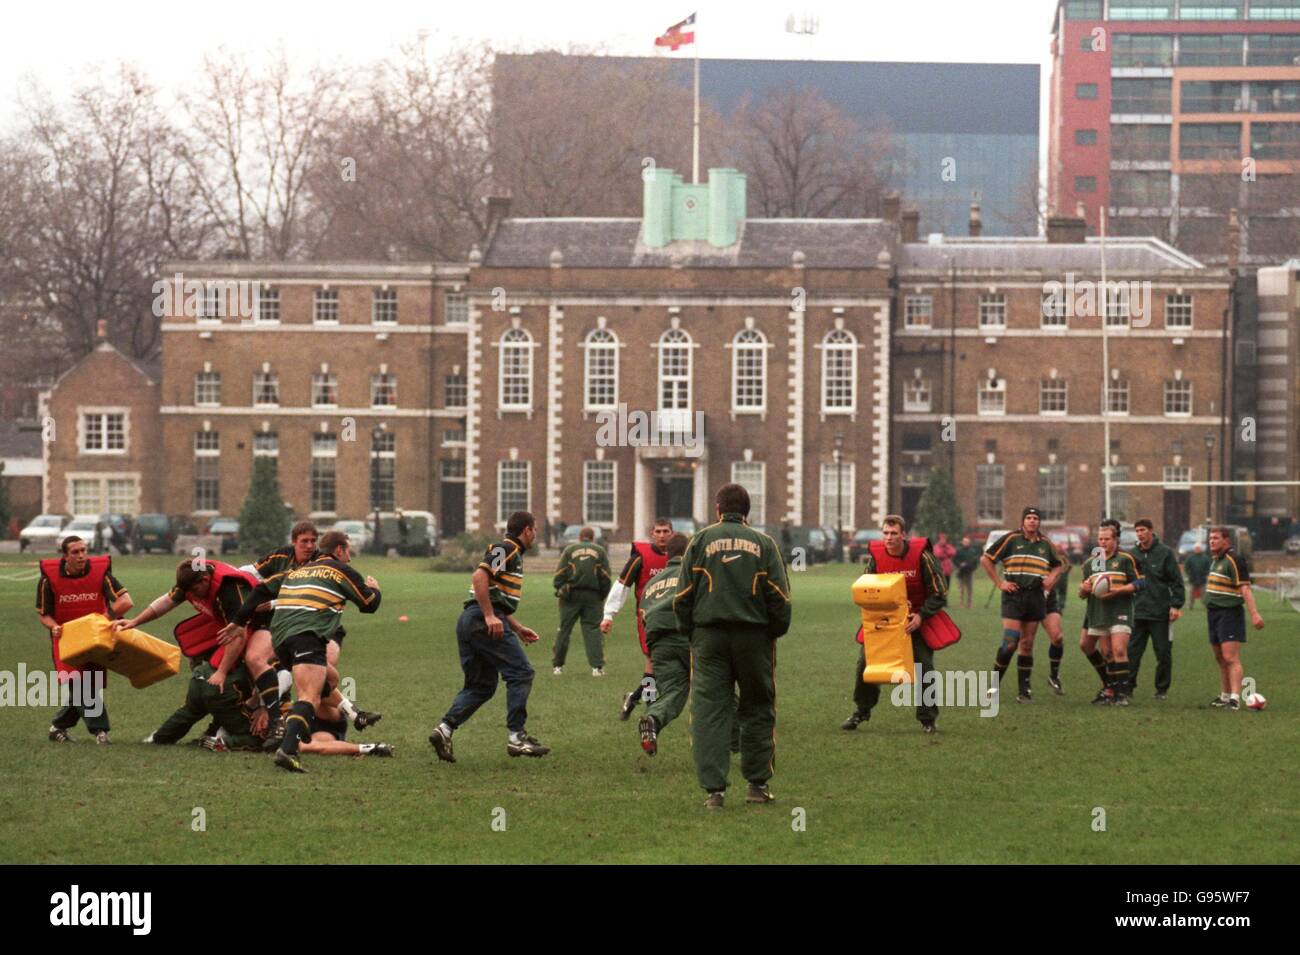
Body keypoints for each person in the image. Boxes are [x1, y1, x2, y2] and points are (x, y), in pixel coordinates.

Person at [674, 484, 791, 809]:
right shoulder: (764, 543)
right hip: (754, 638)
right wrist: (773, 631)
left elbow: (682, 596)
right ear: (747, 511)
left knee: (710, 710)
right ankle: (757, 784)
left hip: (709, 637)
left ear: (717, 508)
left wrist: (691, 632)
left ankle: (715, 791)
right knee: (757, 706)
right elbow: (780, 598)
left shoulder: (699, 541)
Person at [229, 530, 382, 772]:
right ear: (340, 550)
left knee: (329, 680)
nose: (349, 556)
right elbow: (369, 605)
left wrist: (238, 621)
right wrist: (375, 589)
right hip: (306, 636)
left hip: (280, 640)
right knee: (308, 697)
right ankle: (287, 751)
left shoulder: (297, 570)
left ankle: (355, 714)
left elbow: (260, 589)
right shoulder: (339, 569)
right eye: (348, 550)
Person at [428, 511, 549, 762]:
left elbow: (494, 595)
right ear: (526, 530)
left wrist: (514, 626)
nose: (535, 535)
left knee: (481, 685)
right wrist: (490, 616)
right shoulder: (507, 548)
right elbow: (479, 577)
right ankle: (517, 737)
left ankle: (445, 729)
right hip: (481, 620)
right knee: (521, 672)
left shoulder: (511, 552)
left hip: (472, 621)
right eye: (534, 530)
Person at [840, 515, 947, 734]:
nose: (889, 538)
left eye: (894, 533)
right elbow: (867, 587)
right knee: (864, 663)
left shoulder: (922, 557)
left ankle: (928, 718)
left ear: (904, 535)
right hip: (884, 621)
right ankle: (861, 711)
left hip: (915, 620)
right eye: (886, 533)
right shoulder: (877, 557)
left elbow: (940, 592)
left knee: (924, 666)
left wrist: (920, 616)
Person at [35, 536, 133, 743]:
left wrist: (103, 620)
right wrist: (53, 627)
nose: (81, 556)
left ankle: (57, 727)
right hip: (66, 639)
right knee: (79, 685)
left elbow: (126, 601)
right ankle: (100, 732)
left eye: (83, 551)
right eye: (75, 552)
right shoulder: (48, 579)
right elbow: (44, 614)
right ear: (65, 556)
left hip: (96, 638)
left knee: (88, 686)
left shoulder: (100, 573)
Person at [981, 506, 1064, 702]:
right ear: (1023, 521)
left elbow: (1058, 564)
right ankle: (992, 687)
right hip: (1014, 595)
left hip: (1035, 596)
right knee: (1010, 643)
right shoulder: (1011, 539)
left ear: (1039, 522)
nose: (1032, 521)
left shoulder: (1045, 544)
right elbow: (986, 559)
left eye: (1036, 518)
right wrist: (1000, 583)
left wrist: (1051, 577)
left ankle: (1024, 691)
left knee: (1027, 644)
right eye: (1029, 517)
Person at [602, 518, 672, 720]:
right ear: (652, 533)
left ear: (671, 534)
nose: (661, 535)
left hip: (672, 617)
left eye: (665, 531)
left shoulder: (679, 557)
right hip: (647, 618)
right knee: (651, 661)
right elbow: (621, 585)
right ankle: (650, 706)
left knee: (662, 664)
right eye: (658, 531)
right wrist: (609, 615)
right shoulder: (640, 557)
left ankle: (633, 697)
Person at [634, 532, 691, 756]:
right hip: (685, 637)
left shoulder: (652, 582)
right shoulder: (691, 574)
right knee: (716, 685)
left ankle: (652, 717)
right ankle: (739, 737)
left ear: (667, 552)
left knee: (672, 690)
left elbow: (642, 612)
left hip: (656, 642)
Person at [1078, 522, 1143, 705]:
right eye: (1100, 539)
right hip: (1099, 611)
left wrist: (1120, 590)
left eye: (1107, 539)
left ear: (1116, 540)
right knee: (1107, 653)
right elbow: (1083, 592)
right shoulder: (1092, 562)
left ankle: (1122, 694)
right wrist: (1084, 589)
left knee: (1119, 650)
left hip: (1120, 609)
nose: (1103, 542)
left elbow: (1140, 583)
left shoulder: (1125, 559)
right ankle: (1112, 690)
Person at [1204, 526, 1265, 710]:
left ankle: (1235, 699)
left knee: (1231, 657)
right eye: (1210, 538)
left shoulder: (1234, 559)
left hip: (1229, 614)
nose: (1211, 541)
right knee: (1220, 658)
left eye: (1215, 538)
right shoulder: (1216, 560)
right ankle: (1224, 695)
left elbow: (1245, 588)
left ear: (1226, 540)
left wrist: (1254, 614)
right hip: (1213, 613)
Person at [1128, 518, 1185, 700]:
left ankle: (1161, 689)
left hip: (1160, 612)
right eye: (1137, 531)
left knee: (1163, 652)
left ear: (1151, 531)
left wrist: (1176, 605)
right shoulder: (1132, 554)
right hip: (1137, 612)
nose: (1140, 533)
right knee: (1132, 652)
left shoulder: (1165, 553)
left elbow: (1176, 580)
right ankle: (1128, 687)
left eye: (1143, 530)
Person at [551, 527, 612, 676]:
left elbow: (559, 575)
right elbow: (606, 577)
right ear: (593, 538)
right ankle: (597, 668)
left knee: (564, 629)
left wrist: (561, 588)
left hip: (570, 596)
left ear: (580, 537)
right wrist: (602, 595)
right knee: (592, 630)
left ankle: (557, 667)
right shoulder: (600, 551)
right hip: (592, 597)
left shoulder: (569, 550)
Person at [1039, 556, 1071, 694]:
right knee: (1022, 643)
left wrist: (1049, 585)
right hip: (1026, 599)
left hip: (1047, 600)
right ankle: (996, 684)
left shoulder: (1048, 548)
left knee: (1057, 638)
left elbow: (1061, 566)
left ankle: (1054, 676)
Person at [953, 535, 981, 609]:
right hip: (961, 573)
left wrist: (973, 568)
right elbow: (954, 560)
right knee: (961, 590)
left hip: (970, 573)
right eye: (965, 542)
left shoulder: (973, 551)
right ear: (962, 542)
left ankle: (969, 604)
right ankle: (961, 604)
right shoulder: (958, 551)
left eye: (967, 542)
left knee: (970, 589)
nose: (966, 543)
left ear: (969, 543)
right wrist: (960, 564)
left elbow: (976, 562)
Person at [1184, 543, 1211, 610]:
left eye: (1198, 548)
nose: (1197, 549)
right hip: (1192, 579)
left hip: (1202, 579)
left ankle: (1205, 606)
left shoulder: (1205, 558)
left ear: (1200, 549)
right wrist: (1189, 573)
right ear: (1194, 549)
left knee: (1203, 594)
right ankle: (1190, 606)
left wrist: (1206, 574)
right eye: (1196, 548)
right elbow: (1186, 567)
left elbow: (1209, 567)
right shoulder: (1190, 557)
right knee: (1191, 593)